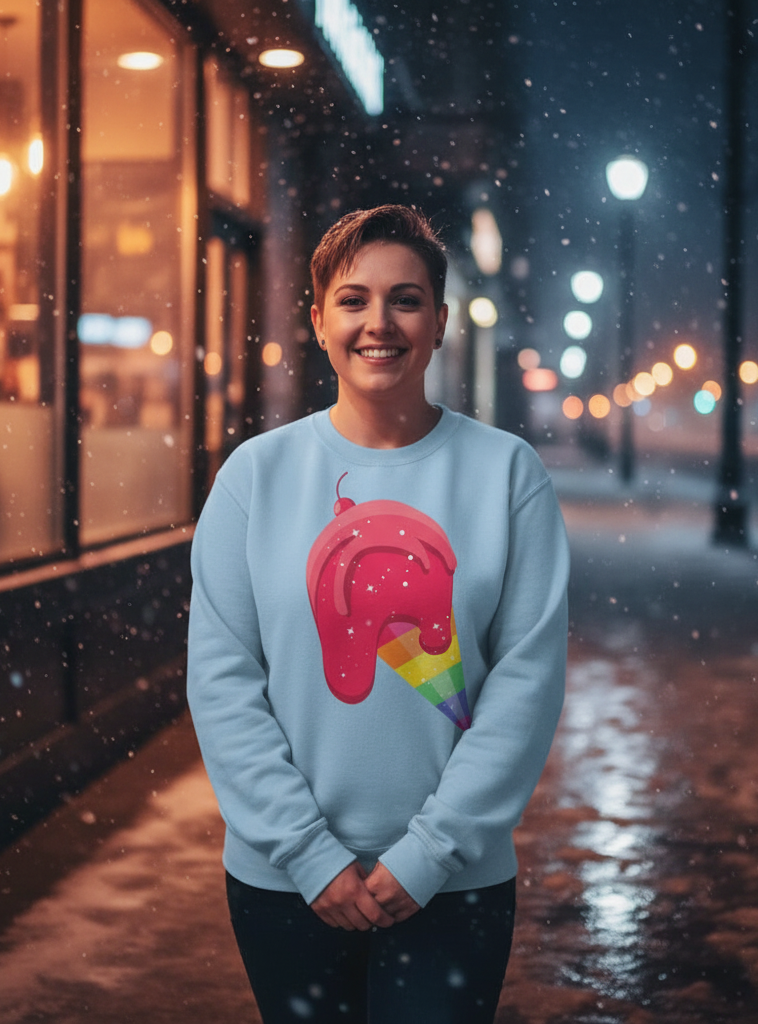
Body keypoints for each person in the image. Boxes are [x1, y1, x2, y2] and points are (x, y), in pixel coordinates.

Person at [187, 204, 569, 1023]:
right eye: (353, 299)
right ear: (318, 319)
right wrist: (309, 854)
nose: (379, 323)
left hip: (453, 886)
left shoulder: (508, 476)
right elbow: (223, 683)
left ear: (440, 321)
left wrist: (430, 853)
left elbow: (526, 686)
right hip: (284, 883)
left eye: (406, 300)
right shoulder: (254, 478)